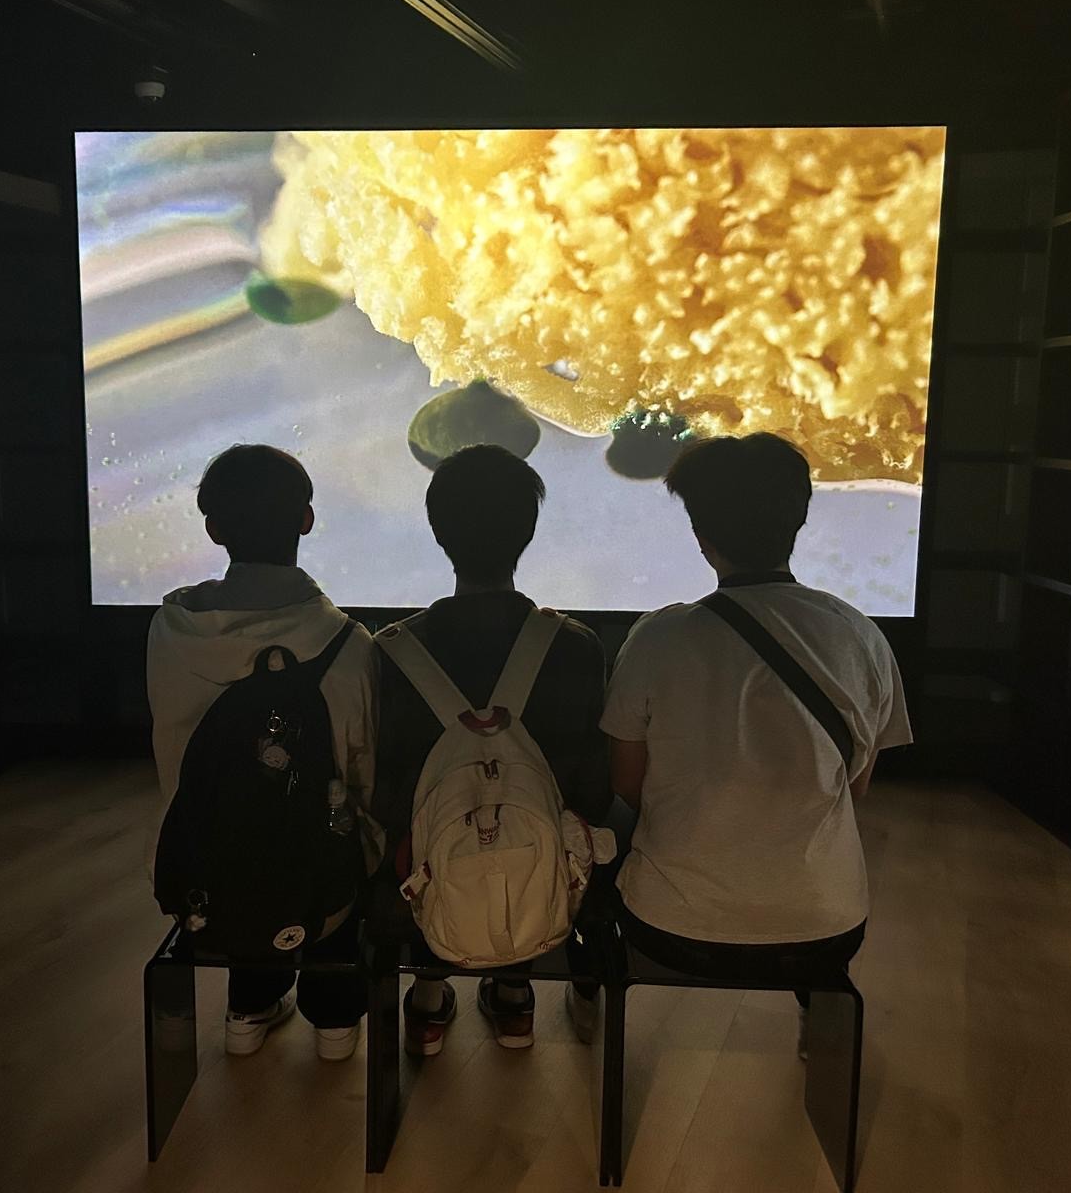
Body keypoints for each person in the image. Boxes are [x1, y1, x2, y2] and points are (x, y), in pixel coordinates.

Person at [598, 432, 911, 1053]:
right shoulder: (859, 636)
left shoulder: (657, 639)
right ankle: (815, 1017)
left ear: (702, 537)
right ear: (798, 520)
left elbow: (627, 786)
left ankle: (585, 1004)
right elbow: (855, 788)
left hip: (669, 926)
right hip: (825, 928)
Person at [147, 444, 381, 1061]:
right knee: (339, 836)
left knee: (242, 839)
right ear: (306, 519)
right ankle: (334, 1021)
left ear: (213, 528)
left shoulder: (170, 629)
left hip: (202, 861)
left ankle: (248, 1006)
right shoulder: (346, 642)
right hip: (318, 869)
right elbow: (359, 770)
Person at [374, 444, 610, 1054]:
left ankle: (428, 997)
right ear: (527, 534)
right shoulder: (576, 646)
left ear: (438, 533)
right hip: (543, 864)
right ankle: (513, 994)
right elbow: (590, 788)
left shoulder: (390, 652)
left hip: (422, 867)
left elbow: (383, 787)